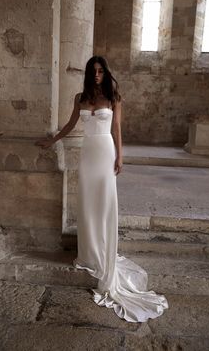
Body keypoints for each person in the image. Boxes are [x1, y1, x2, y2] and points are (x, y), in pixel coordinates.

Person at [35, 55, 169, 323]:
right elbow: (73, 124)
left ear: (105, 73)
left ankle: (105, 251)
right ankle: (89, 253)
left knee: (105, 204)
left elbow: (117, 128)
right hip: (88, 154)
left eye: (100, 71)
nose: (97, 74)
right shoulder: (79, 97)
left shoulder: (114, 96)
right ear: (88, 73)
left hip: (106, 151)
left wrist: (120, 156)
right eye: (93, 71)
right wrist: (54, 140)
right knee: (87, 205)